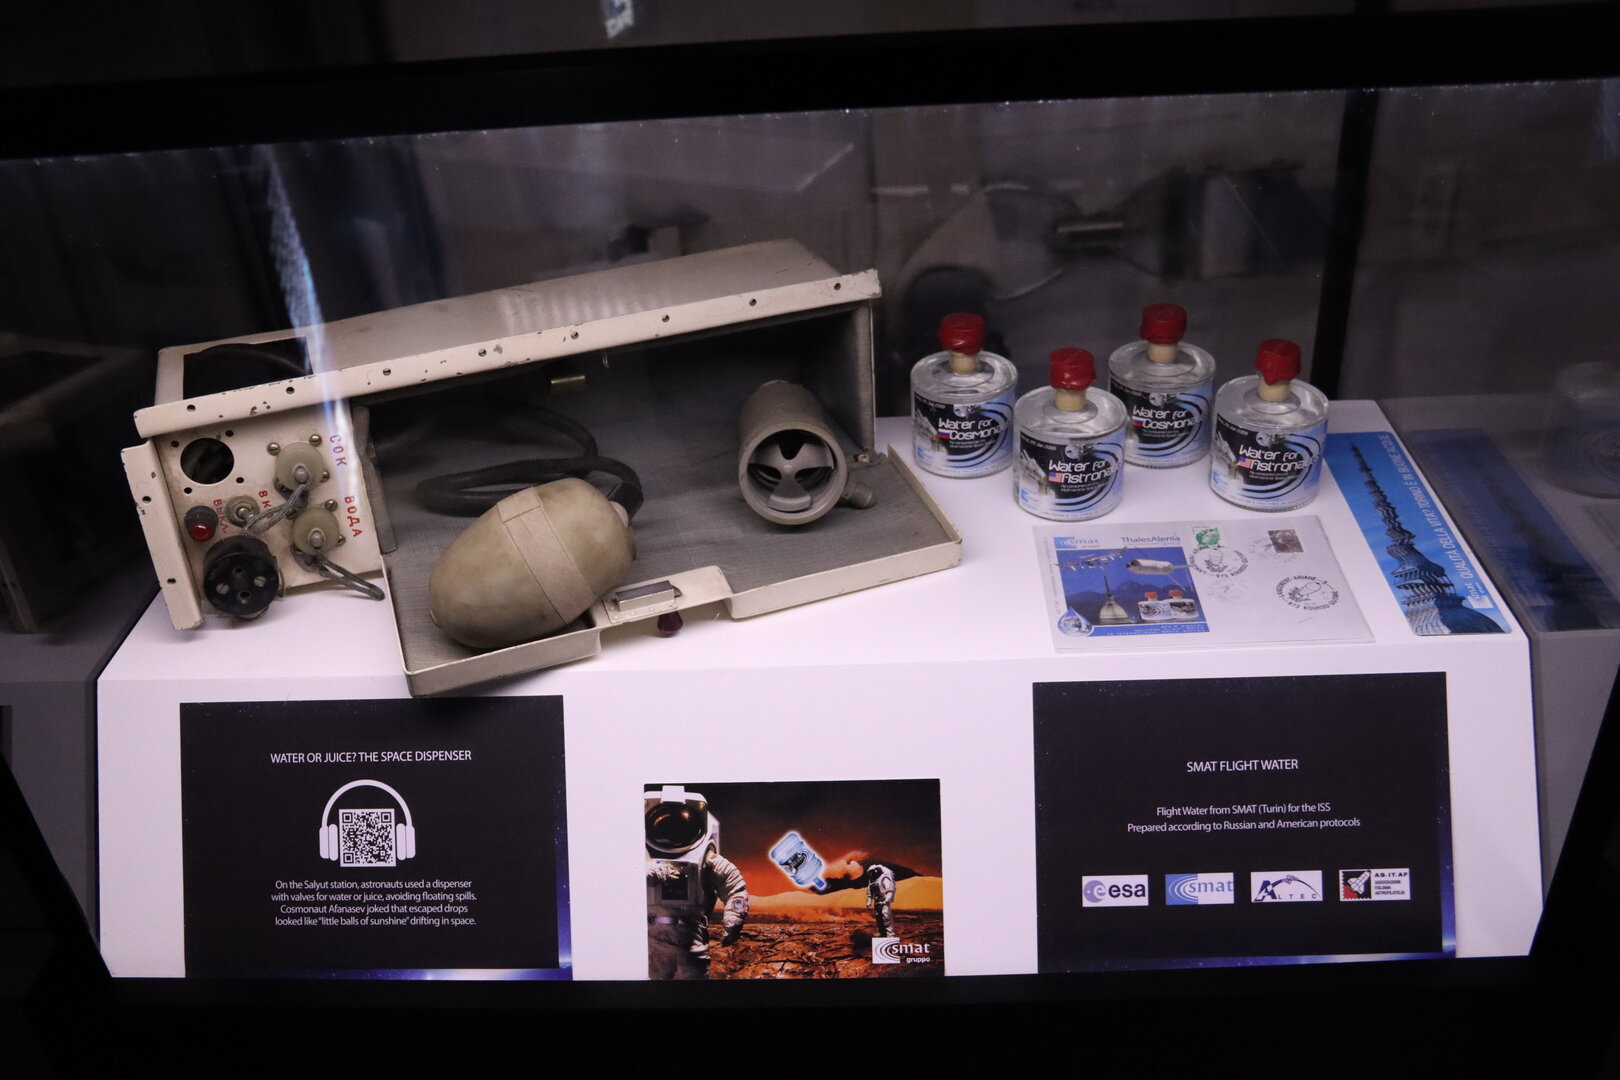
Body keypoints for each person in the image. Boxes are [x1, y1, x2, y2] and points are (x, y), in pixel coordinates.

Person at [866, 862, 896, 938]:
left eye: (874, 871)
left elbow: (889, 889)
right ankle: (881, 932)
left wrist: (888, 898)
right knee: (878, 917)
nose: (873, 873)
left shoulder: (883, 878)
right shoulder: (871, 881)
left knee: (886, 916)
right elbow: (869, 893)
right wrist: (869, 902)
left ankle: (890, 934)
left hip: (884, 900)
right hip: (877, 902)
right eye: (871, 872)